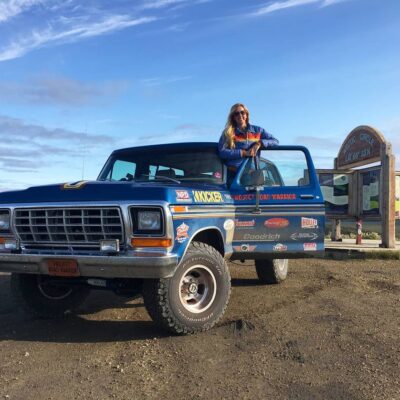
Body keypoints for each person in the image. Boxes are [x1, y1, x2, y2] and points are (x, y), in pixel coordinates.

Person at [218, 103, 278, 184]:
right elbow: (222, 152)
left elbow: (275, 141)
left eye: (242, 112)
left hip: (250, 176)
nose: (240, 115)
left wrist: (259, 143)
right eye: (236, 113)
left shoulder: (258, 130)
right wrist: (243, 153)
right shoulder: (228, 133)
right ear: (233, 117)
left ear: (246, 115)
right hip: (231, 175)